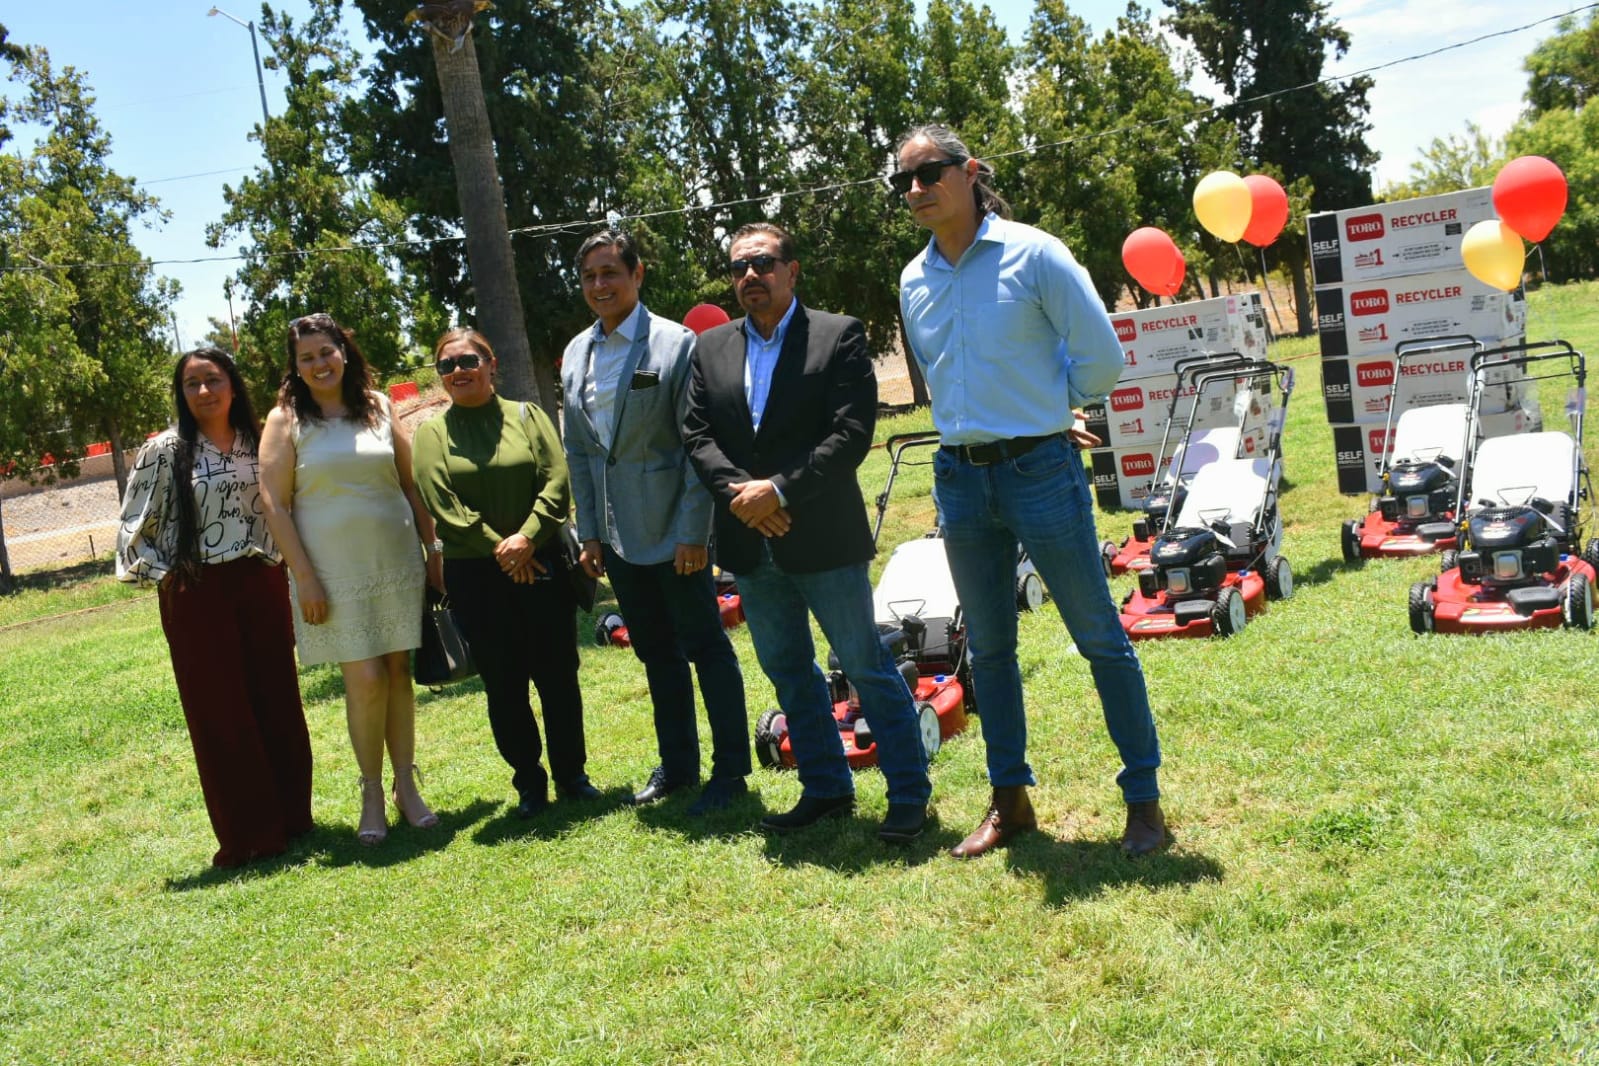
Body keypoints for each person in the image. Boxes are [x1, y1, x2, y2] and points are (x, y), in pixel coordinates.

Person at [893, 123, 1169, 858]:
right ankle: (1009, 800)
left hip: (1039, 471)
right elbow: (944, 376)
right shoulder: (913, 279)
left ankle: (1143, 800)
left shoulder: (1035, 253)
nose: (916, 189)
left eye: (929, 172)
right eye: (903, 180)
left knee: (1099, 637)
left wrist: (1049, 409)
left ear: (970, 171)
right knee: (987, 651)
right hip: (958, 479)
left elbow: (1102, 358)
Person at [683, 221, 932, 842]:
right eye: (739, 266)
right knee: (788, 671)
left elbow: (850, 433)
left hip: (821, 534)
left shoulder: (837, 335)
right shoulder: (710, 349)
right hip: (749, 538)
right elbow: (697, 435)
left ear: (791, 271)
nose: (750, 275)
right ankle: (825, 787)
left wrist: (779, 490)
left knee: (865, 664)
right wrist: (744, 497)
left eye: (763, 263)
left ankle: (908, 794)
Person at [561, 230, 750, 815]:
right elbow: (582, 452)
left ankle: (731, 771)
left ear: (637, 274)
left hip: (675, 531)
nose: (600, 285)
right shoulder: (575, 354)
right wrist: (590, 531)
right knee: (656, 652)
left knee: (706, 646)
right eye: (590, 276)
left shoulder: (675, 344)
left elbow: (698, 444)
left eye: (610, 273)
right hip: (618, 537)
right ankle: (679, 766)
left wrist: (695, 532)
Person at [117, 348, 313, 868]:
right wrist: (171, 577)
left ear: (233, 383)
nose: (204, 391)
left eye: (213, 379)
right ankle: (249, 834)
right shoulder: (165, 450)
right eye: (192, 384)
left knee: (278, 701)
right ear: (181, 394)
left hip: (262, 583)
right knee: (221, 713)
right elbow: (132, 529)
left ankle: (294, 818)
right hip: (198, 592)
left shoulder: (260, 440)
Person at [259, 313, 441, 847]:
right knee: (365, 680)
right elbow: (274, 503)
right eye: (307, 357)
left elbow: (411, 484)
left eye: (326, 351)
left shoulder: (379, 406)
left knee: (398, 673)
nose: (319, 364)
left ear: (344, 351)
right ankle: (371, 792)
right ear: (295, 367)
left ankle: (407, 785)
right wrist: (305, 578)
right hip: (331, 572)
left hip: (394, 560)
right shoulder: (285, 420)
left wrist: (433, 549)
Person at [411, 328, 598, 818]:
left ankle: (573, 776)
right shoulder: (431, 435)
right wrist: (503, 548)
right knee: (504, 681)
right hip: (477, 576)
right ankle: (529, 783)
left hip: (543, 564)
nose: (458, 371)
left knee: (558, 676)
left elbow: (556, 481)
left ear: (491, 364)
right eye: (447, 365)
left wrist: (527, 539)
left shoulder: (529, 416)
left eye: (468, 361)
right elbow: (440, 502)